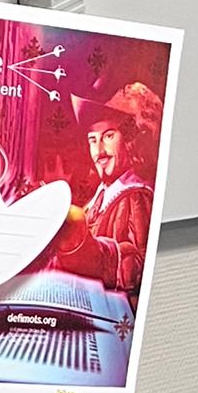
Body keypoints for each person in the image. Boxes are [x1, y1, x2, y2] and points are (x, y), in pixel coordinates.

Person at [50, 82, 162, 296]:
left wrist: (87, 245)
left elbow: (139, 268)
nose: (99, 151)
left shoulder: (137, 196)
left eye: (109, 136)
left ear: (129, 140)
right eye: (93, 140)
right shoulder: (98, 197)